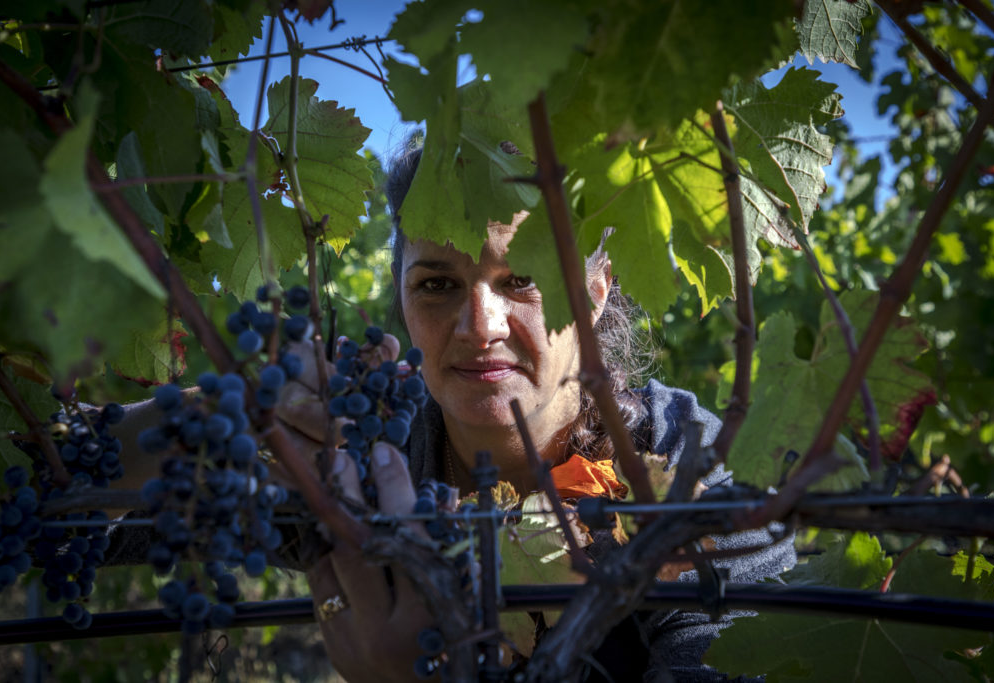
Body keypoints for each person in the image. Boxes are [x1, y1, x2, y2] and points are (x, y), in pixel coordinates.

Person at [280, 145, 796, 682]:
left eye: (522, 278)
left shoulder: (688, 467)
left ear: (594, 294)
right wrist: (257, 435)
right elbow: (207, 511)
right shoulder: (371, 461)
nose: (481, 328)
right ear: (403, 300)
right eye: (436, 285)